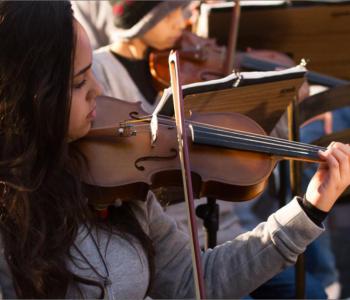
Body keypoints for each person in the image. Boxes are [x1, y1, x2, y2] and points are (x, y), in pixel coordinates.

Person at [1, 1, 350, 299]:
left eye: (90, 73)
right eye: (79, 82)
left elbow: (194, 281)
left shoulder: (116, 177)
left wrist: (308, 211)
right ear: (26, 97)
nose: (97, 90)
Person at [92, 1, 327, 298]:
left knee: (310, 292)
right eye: (175, 10)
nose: (187, 18)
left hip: (228, 230)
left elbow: (249, 146)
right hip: (174, 243)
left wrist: (277, 102)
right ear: (147, 19)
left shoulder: (185, 61)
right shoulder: (100, 71)